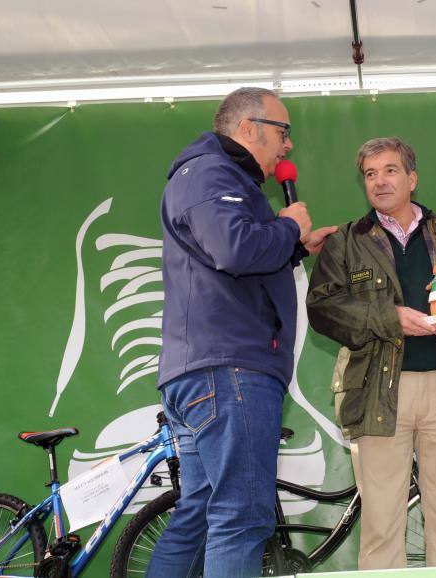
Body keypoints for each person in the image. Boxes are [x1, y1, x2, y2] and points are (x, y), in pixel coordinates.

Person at [148, 87, 336, 578]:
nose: (289, 145)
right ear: (249, 128)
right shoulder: (214, 173)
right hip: (229, 369)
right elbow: (234, 249)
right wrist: (289, 228)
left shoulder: (208, 175)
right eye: (283, 131)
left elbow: (230, 258)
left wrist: (293, 246)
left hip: (205, 369)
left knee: (199, 516)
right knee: (241, 517)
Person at [307, 137, 436, 569]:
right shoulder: (345, 241)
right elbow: (323, 309)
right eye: (370, 174)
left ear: (412, 178)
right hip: (378, 393)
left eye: (390, 170)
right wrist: (389, 317)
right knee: (381, 522)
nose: (379, 182)